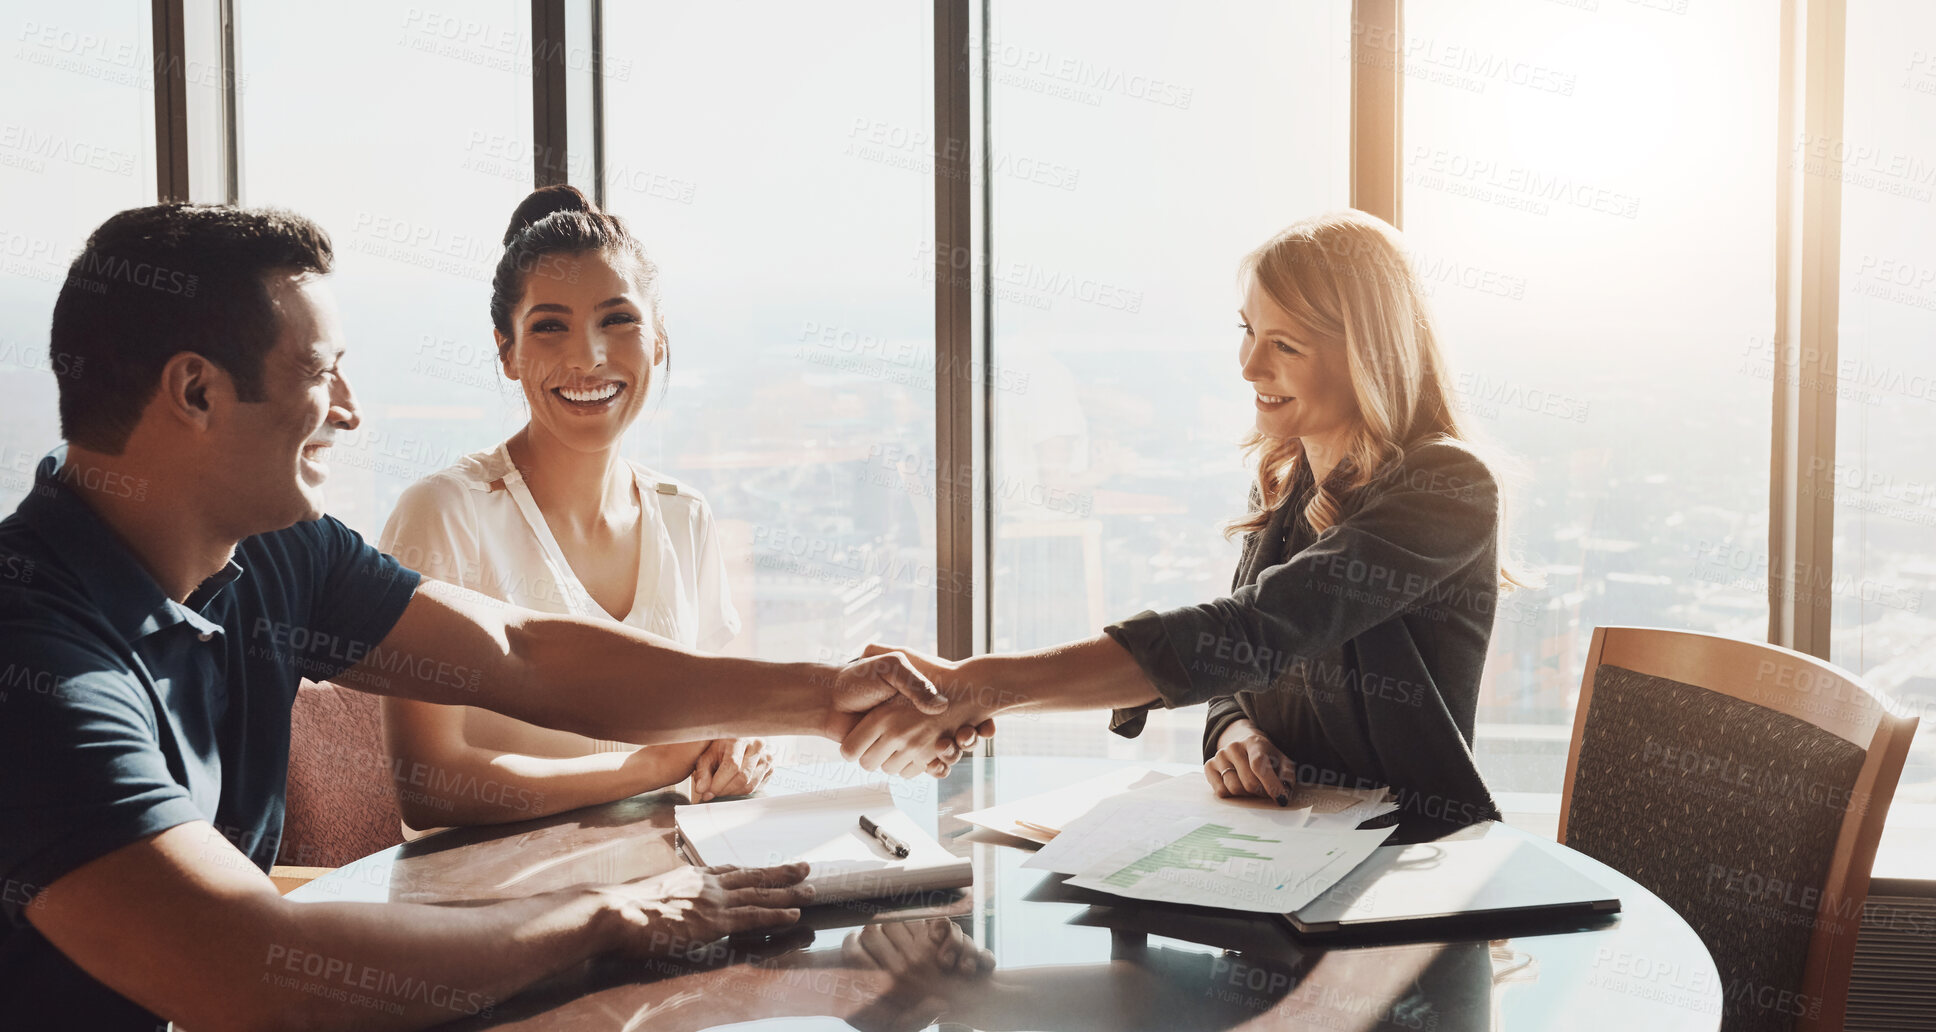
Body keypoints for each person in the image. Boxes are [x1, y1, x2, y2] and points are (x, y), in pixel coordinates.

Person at [0, 203, 977, 1030]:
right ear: (197, 389)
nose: (349, 409)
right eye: (320, 372)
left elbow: (521, 653)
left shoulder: (269, 549)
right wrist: (604, 916)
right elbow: (253, 967)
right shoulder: (37, 659)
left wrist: (820, 697)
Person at [848, 211, 1522, 830]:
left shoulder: (1449, 486)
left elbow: (1252, 633)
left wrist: (975, 685)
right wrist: (1239, 741)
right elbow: (1232, 682)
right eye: (1248, 331)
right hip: (1293, 853)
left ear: (1370, 356)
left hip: (1412, 870)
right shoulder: (1294, 489)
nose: (1249, 365)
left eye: (1284, 344)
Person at [379, 186, 767, 833]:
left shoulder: (684, 517)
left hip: (664, 888)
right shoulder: (446, 512)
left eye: (617, 320)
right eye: (550, 326)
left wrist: (742, 753)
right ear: (507, 351)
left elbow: (722, 726)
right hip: (487, 914)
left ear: (659, 340)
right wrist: (647, 770)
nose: (588, 357)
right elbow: (428, 785)